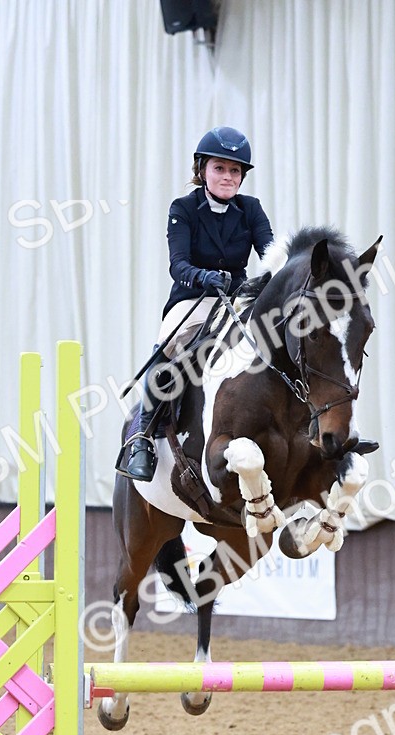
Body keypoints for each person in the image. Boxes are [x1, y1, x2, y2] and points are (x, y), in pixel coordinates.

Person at [116, 126, 274, 481]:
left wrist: (273, 275)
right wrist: (203, 277)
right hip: (194, 297)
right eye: (220, 168)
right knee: (170, 347)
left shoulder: (251, 209)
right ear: (202, 168)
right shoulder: (183, 208)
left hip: (237, 297)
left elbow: (269, 253)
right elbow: (178, 263)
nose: (228, 177)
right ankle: (143, 436)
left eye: (235, 171)